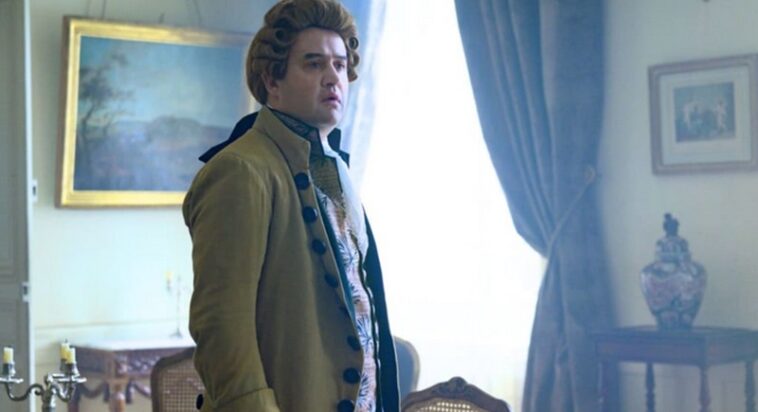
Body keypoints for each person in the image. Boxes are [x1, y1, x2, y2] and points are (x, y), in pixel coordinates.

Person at [182, 1, 399, 411]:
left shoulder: (337, 169)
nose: (332, 78)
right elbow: (222, 326)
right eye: (313, 64)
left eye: (339, 65)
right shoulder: (241, 170)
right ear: (272, 80)